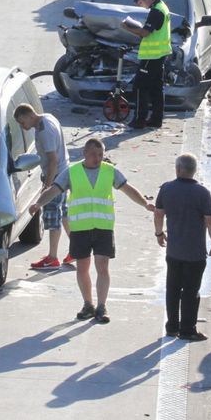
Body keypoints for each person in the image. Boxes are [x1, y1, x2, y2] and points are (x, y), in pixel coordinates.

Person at [29, 137, 154, 324]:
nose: (98, 158)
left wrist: (145, 203)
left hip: (103, 227)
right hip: (80, 228)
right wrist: (38, 203)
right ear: (84, 153)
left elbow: (127, 189)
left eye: (101, 154)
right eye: (94, 154)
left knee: (102, 267)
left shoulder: (110, 171)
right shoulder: (72, 172)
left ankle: (102, 306)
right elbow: (55, 190)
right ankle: (88, 304)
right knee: (82, 268)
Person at [154, 153, 211, 341]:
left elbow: (159, 214)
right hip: (195, 253)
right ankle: (188, 329)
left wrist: (159, 233)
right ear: (194, 171)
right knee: (191, 291)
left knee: (173, 288)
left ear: (178, 169)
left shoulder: (166, 189)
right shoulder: (202, 193)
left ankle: (172, 326)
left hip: (174, 251)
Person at [15, 103, 74, 270]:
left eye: (22, 122)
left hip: (56, 176)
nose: (22, 126)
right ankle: (76, 250)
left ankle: (52, 257)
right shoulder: (48, 117)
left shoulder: (44, 131)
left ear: (29, 116)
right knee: (63, 213)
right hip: (64, 172)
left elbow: (53, 160)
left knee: (53, 216)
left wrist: (48, 187)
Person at [122, 0, 170, 130]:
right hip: (160, 54)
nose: (141, 6)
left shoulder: (156, 11)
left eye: (140, 3)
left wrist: (127, 27)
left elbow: (145, 33)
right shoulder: (163, 6)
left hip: (152, 56)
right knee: (156, 88)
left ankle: (139, 120)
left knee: (139, 88)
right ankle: (156, 119)